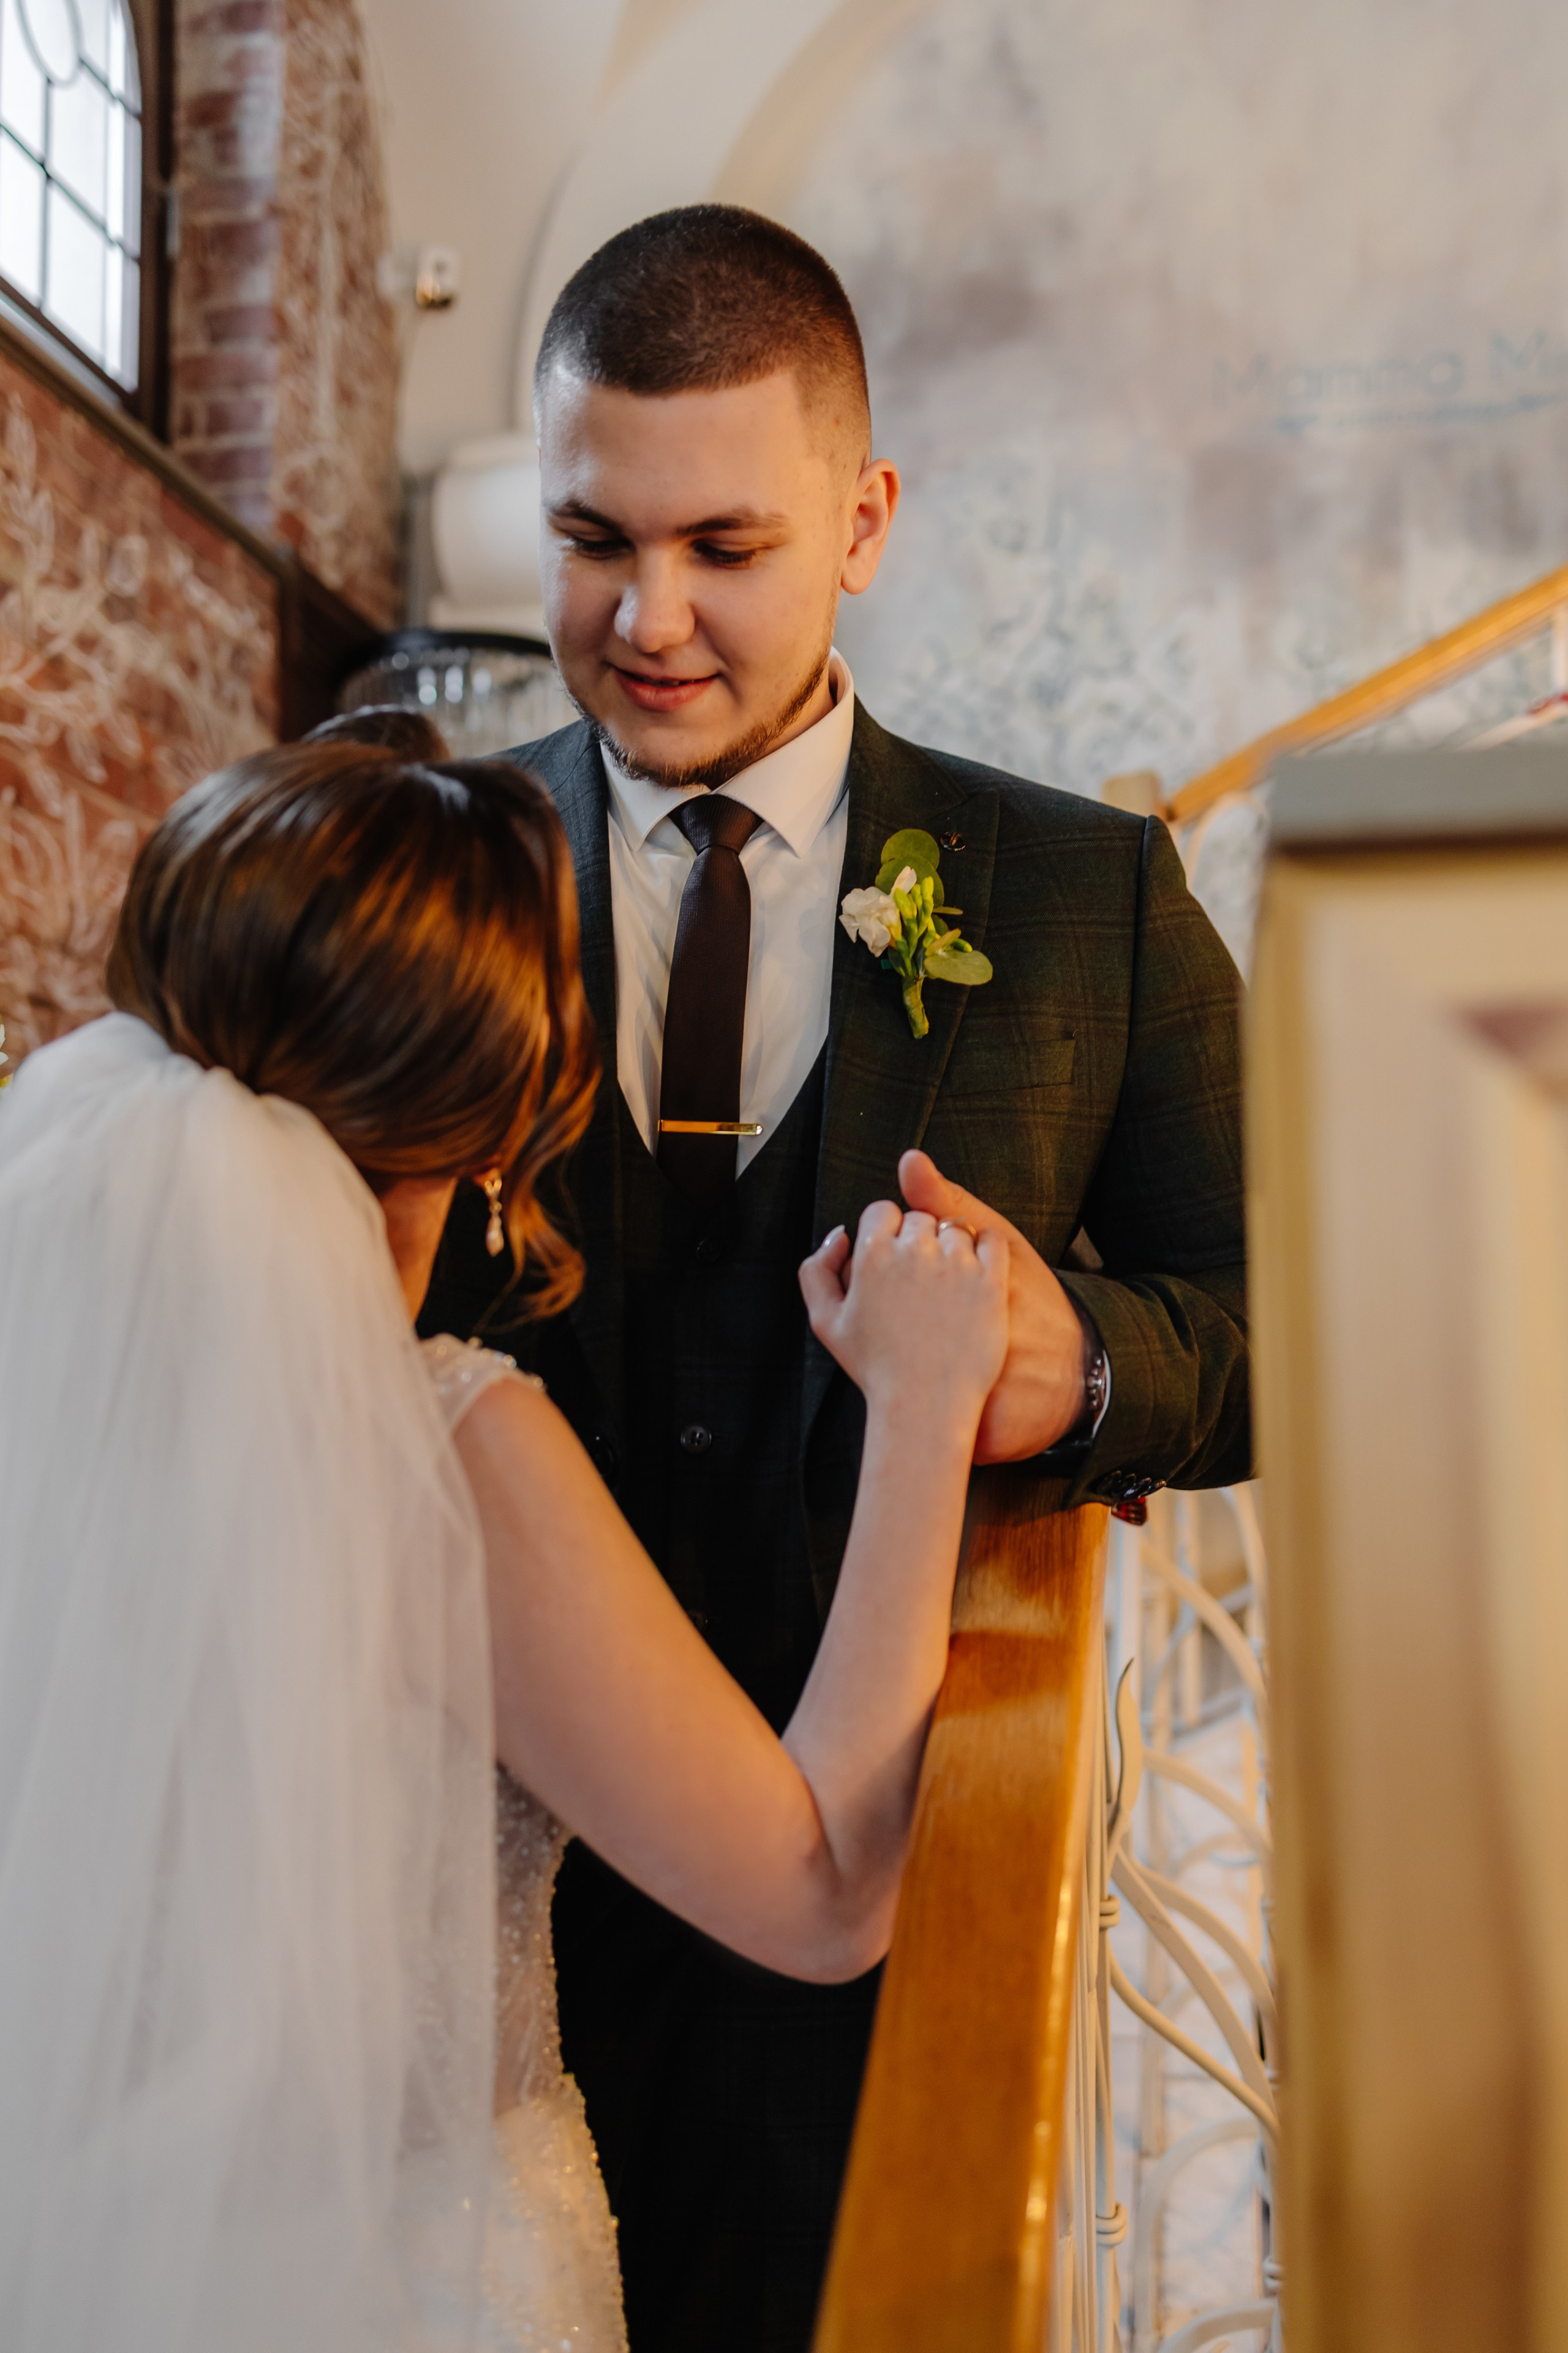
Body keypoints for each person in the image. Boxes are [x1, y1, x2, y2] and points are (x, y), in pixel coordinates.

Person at [421, 203, 1250, 2353]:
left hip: (898, 1932)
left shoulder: (1084, 896)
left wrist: (1084, 1369)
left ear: (865, 521)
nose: (649, 616)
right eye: (593, 538)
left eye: (727, 545)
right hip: (475, 1951)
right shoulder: (429, 880)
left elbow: (1282, 1331)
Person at [0, 741, 1008, 2353]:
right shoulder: (442, 1456)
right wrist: (927, 1400)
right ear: (492, 1124)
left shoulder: (46, 1373)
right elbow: (822, 1894)